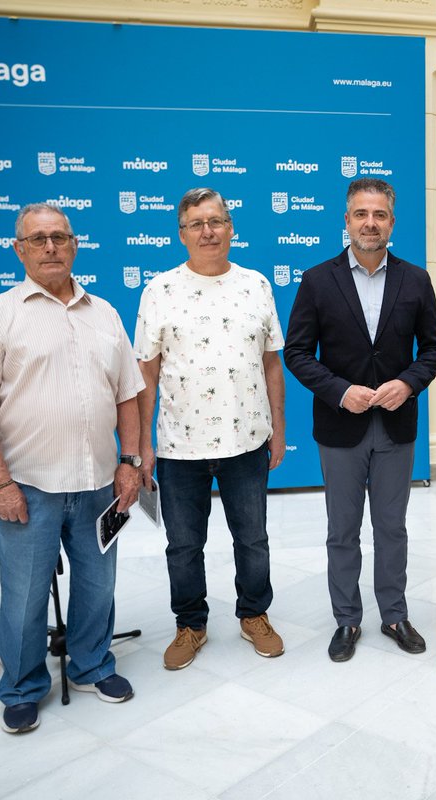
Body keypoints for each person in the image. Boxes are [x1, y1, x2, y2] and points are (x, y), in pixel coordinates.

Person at [0, 203, 143, 734]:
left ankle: (92, 665)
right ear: (19, 250)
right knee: (25, 595)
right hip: (28, 486)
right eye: (38, 239)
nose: (51, 247)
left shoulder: (105, 313)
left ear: (75, 244)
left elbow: (127, 395)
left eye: (59, 236)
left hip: (99, 482)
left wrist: (130, 462)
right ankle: (22, 686)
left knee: (98, 585)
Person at [283, 178, 436, 663]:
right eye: (361, 214)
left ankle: (394, 614)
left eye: (379, 215)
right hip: (341, 427)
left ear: (392, 223)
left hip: (396, 425)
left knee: (392, 527)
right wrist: (339, 390)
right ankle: (347, 619)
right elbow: (297, 352)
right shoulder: (318, 280)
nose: (369, 223)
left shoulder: (415, 280)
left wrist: (409, 383)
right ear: (347, 220)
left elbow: (434, 348)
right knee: (343, 529)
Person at [134, 187, 287, 670]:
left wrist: (279, 430)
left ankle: (254, 615)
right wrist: (142, 444)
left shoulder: (256, 285)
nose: (208, 231)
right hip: (179, 445)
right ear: (181, 234)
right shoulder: (159, 290)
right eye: (196, 224)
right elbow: (146, 373)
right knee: (183, 545)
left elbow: (272, 364)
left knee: (253, 538)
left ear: (231, 228)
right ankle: (190, 624)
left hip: (247, 441)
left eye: (216, 221)